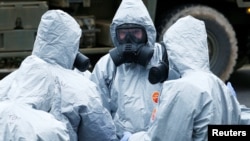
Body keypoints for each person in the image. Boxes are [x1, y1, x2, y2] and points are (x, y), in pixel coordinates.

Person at [122, 15, 245, 141]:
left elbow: (163, 138)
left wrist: (131, 138)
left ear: (175, 52)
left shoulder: (183, 89)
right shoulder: (220, 86)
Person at [0, 10, 117, 141]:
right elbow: (100, 134)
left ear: (40, 38)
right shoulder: (83, 88)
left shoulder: (9, 81)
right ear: (72, 45)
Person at [90, 0, 179, 139]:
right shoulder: (107, 65)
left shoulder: (163, 59)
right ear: (115, 34)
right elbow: (97, 112)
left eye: (136, 33)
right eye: (123, 34)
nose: (129, 39)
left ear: (147, 32)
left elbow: (178, 105)